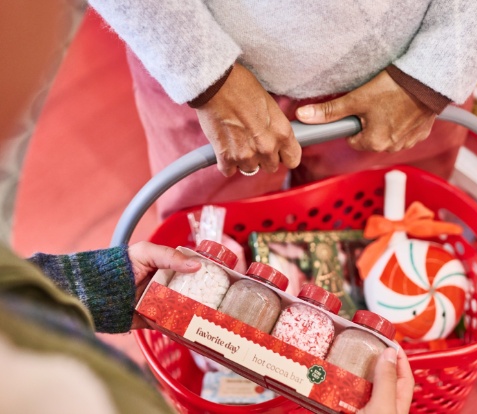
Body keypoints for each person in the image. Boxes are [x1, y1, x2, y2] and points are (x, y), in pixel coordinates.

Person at [0, 4, 414, 412]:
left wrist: (96, 286)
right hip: (193, 60)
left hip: (390, 76)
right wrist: (205, 77)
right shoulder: (44, 388)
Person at [88, 0, 477, 219]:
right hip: (203, 65)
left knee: (380, 238)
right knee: (205, 251)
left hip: (403, 81)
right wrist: (201, 71)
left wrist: (434, 71)